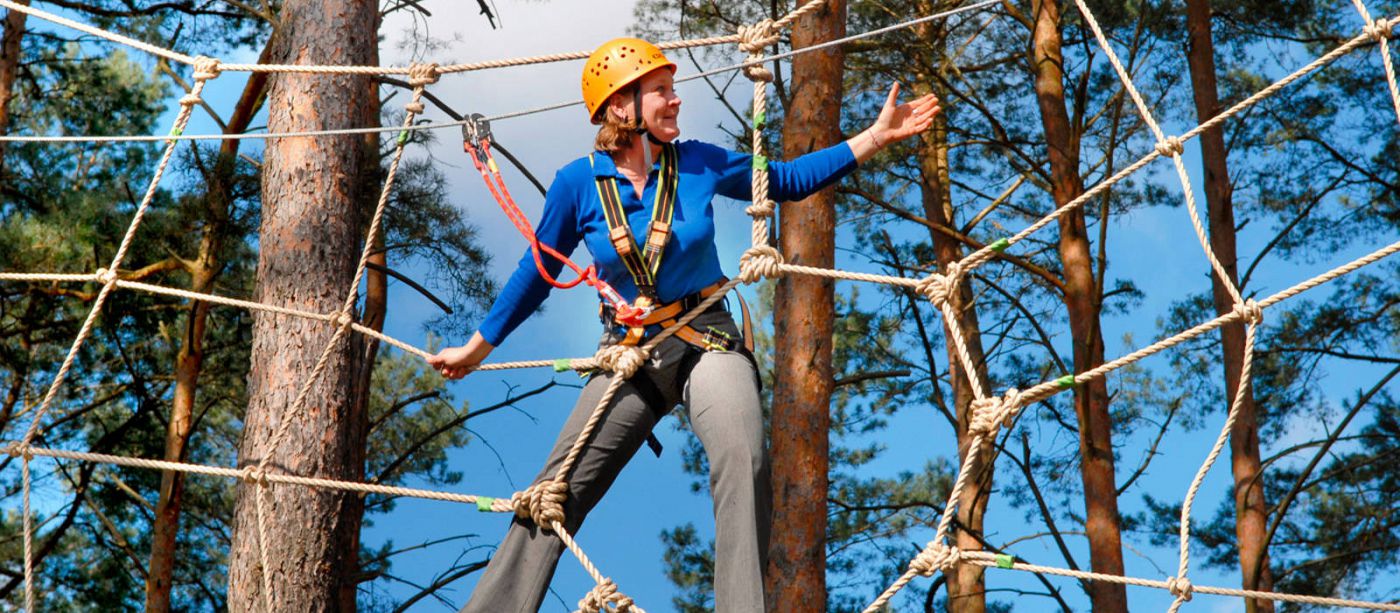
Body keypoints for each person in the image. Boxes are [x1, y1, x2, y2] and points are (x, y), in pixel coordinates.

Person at [429, 37, 939, 613]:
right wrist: (478, 347)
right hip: (632, 351)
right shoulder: (578, 184)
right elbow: (540, 269)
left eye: (673, 90)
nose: (676, 101)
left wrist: (875, 136)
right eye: (662, 92)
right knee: (554, 489)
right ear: (623, 107)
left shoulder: (697, 162)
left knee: (743, 456)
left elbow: (788, 180)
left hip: (707, 338)